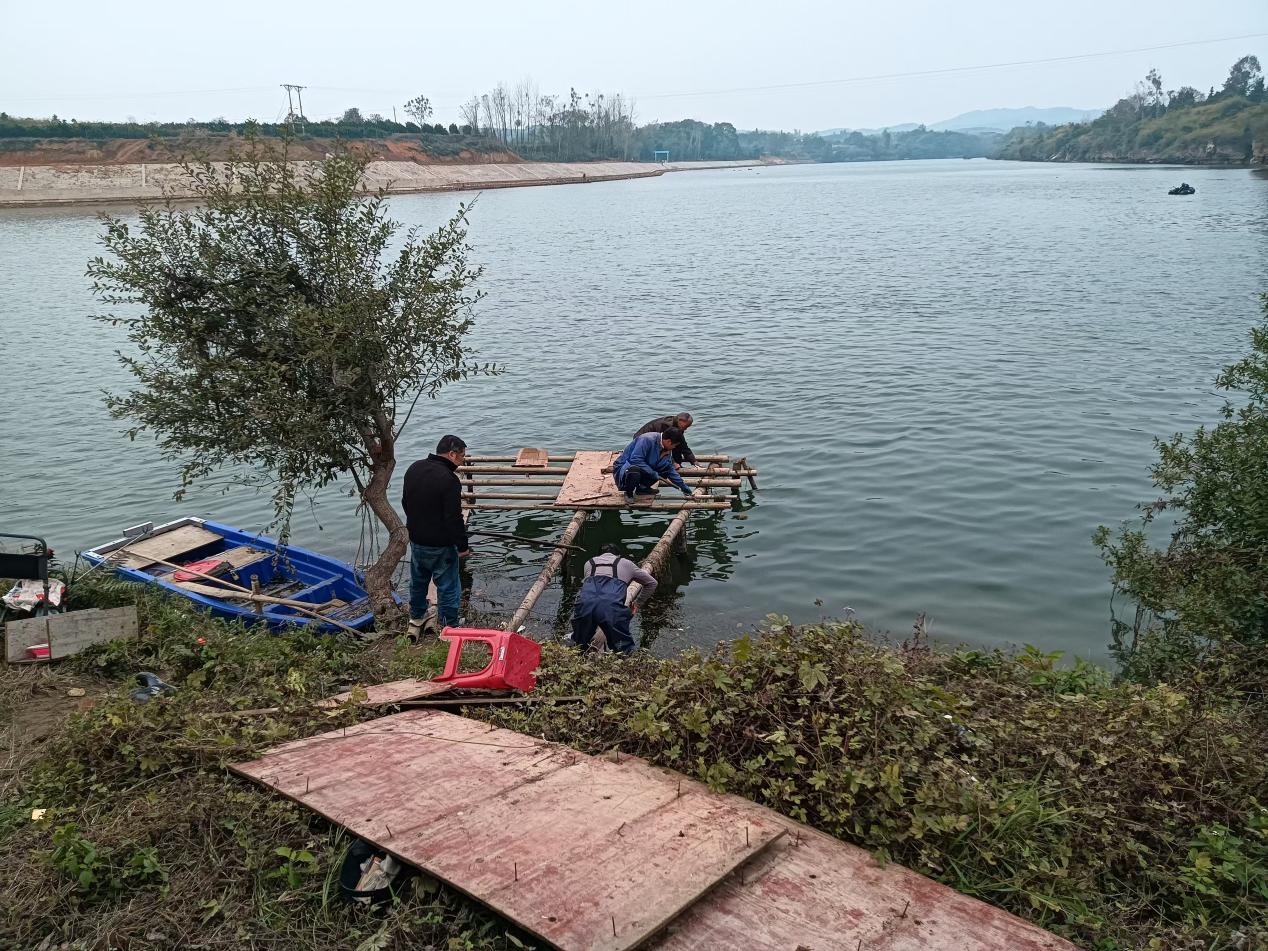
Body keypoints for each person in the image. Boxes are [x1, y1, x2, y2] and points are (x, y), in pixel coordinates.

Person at [401, 434, 470, 639]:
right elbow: (453, 518)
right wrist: (463, 545)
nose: (462, 460)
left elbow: (406, 503)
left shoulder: (414, 468)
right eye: (461, 456)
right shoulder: (449, 479)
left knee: (418, 581)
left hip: (417, 539)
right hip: (441, 544)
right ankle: (450, 626)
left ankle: (417, 616)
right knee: (448, 586)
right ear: (451, 454)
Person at [570, 544, 658, 655]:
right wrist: (637, 604)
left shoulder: (589, 563)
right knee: (623, 650)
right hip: (611, 608)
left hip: (584, 605)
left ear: (599, 555)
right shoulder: (626, 563)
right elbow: (652, 583)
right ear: (618, 555)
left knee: (579, 647)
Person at [613, 428, 694, 503]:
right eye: (674, 445)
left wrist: (684, 487)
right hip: (625, 469)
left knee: (665, 469)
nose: (674, 447)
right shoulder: (646, 439)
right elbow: (635, 460)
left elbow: (669, 469)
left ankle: (642, 488)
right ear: (669, 441)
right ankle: (629, 493)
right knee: (634, 470)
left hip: (644, 469)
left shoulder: (667, 450)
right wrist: (652, 473)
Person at [634, 412, 698, 468]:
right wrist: (672, 462)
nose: (686, 429)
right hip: (641, 441)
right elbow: (661, 446)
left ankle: (677, 465)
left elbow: (683, 446)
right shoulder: (666, 426)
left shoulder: (679, 427)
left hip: (655, 442)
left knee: (676, 445)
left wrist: (694, 462)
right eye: (686, 427)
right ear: (680, 420)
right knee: (663, 450)